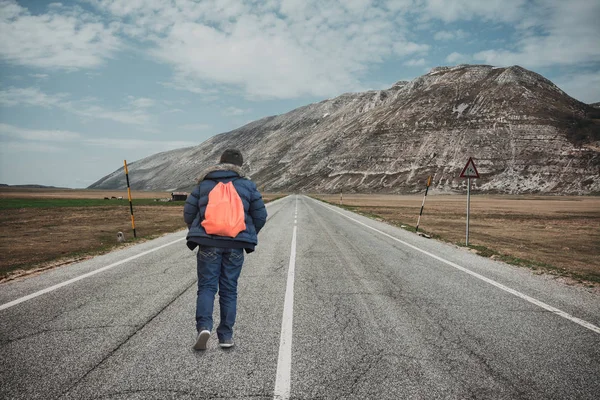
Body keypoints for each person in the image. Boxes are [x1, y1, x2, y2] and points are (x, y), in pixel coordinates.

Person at [184, 149, 267, 350]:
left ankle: (204, 327)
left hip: (208, 243)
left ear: (220, 163)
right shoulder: (247, 185)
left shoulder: (204, 184)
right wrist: (246, 233)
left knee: (207, 287)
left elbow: (188, 212)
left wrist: (199, 230)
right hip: (235, 245)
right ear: (239, 165)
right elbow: (261, 215)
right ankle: (226, 336)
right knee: (229, 290)